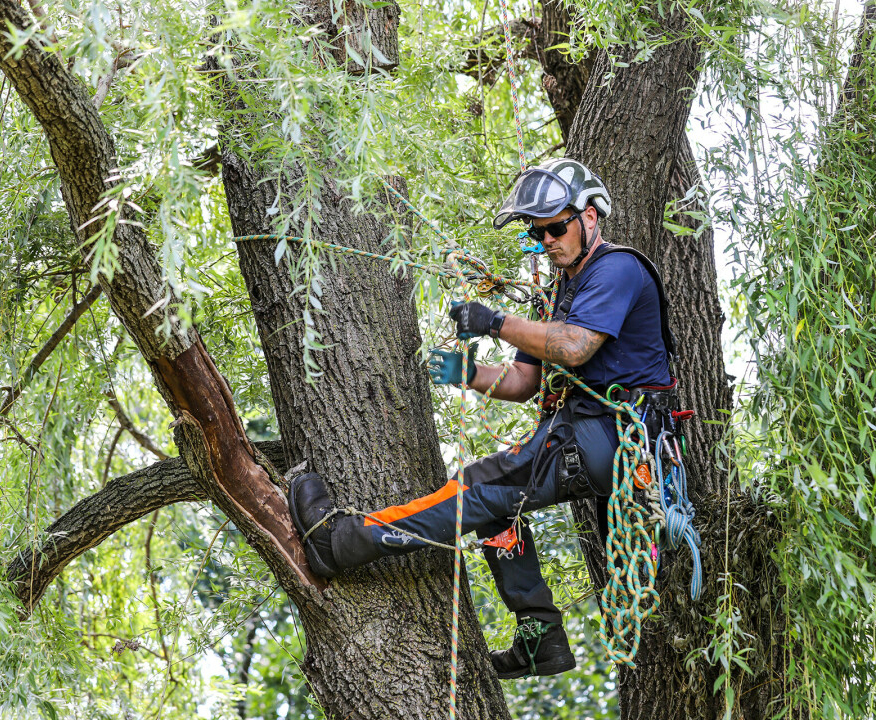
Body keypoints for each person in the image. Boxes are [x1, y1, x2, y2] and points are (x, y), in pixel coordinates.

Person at [288, 158, 676, 679]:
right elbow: (523, 381)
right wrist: (467, 371)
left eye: (556, 228)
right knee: (497, 511)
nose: (548, 242)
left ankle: (340, 544)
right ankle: (542, 639)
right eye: (538, 235)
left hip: (610, 437)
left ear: (589, 217)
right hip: (588, 438)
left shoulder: (617, 269)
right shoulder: (565, 290)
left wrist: (496, 321)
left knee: (472, 488)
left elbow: (574, 347)